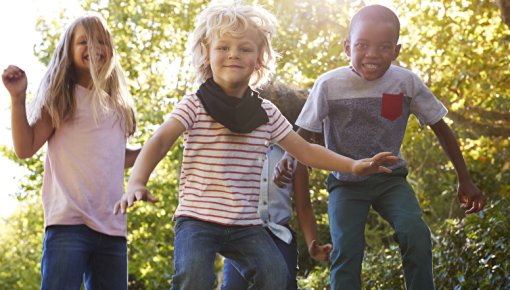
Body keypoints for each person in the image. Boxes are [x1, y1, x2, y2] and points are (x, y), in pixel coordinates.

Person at [113, 2, 398, 290]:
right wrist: (137, 181)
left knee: (276, 275)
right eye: (223, 47)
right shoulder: (195, 104)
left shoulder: (266, 112)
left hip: (245, 224)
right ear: (206, 53)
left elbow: (306, 151)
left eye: (244, 48)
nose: (233, 54)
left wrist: (352, 165)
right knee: (194, 276)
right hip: (198, 218)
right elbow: (160, 140)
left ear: (259, 58)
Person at [273, 4, 486, 290]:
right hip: (346, 183)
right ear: (347, 47)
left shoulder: (406, 82)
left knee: (416, 234)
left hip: (389, 179)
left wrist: (465, 178)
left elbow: (441, 128)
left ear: (396, 52)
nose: (372, 54)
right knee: (347, 251)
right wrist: (289, 157)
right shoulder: (328, 85)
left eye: (384, 47)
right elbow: (304, 134)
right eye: (362, 45)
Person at [2, 12, 138, 290]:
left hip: (112, 228)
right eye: (83, 41)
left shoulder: (118, 107)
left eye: (101, 41)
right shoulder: (61, 99)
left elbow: (117, 158)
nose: (94, 48)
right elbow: (25, 148)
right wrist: (18, 99)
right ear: (69, 50)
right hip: (68, 224)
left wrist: (158, 144)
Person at [221, 92, 332, 290]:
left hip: (279, 237)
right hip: (239, 235)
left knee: (285, 281)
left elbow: (304, 207)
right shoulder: (235, 152)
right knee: (233, 286)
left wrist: (312, 245)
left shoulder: (293, 159)